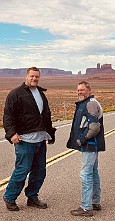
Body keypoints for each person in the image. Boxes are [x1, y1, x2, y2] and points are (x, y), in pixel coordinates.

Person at [3, 67, 56, 211]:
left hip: (40, 139)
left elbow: (46, 115)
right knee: (22, 170)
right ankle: (9, 197)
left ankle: (32, 197)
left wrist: (51, 134)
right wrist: (11, 133)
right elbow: (8, 116)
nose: (34, 79)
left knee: (40, 171)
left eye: (37, 77)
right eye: (32, 76)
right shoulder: (16, 94)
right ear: (26, 76)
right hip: (25, 140)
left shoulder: (40, 93)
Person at [67, 81, 105, 217]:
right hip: (91, 145)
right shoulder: (88, 102)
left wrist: (82, 139)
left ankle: (86, 207)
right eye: (78, 90)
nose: (79, 92)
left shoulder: (91, 104)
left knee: (86, 174)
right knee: (93, 172)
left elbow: (94, 127)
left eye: (82, 90)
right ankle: (95, 202)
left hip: (90, 145)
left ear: (89, 90)